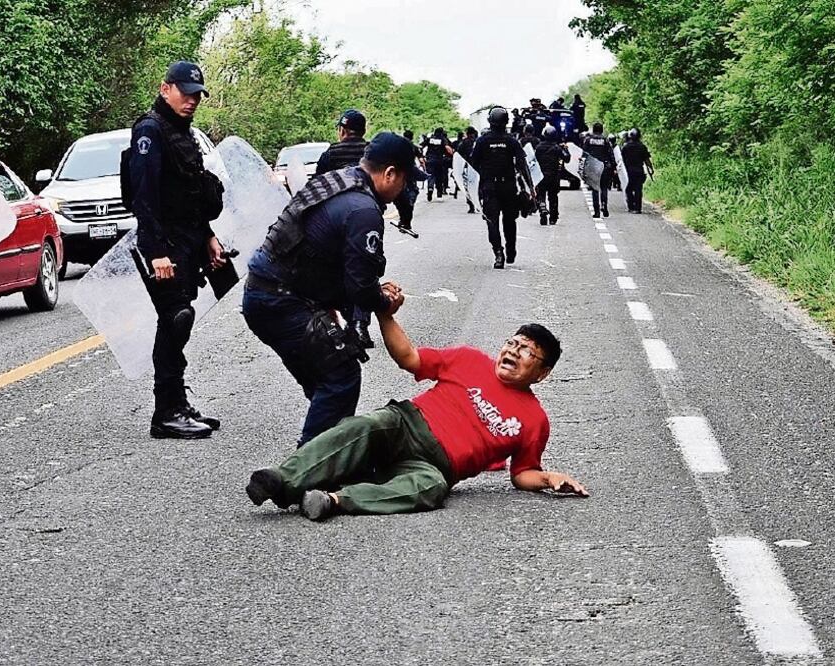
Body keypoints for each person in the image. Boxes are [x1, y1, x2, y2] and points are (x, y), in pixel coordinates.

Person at [246, 312, 588, 521]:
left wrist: (548, 479)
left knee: (431, 490)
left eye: (527, 351)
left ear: (542, 373)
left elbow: (523, 472)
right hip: (405, 424)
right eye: (512, 343)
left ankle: (333, 501)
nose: (514, 351)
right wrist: (385, 314)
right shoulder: (468, 359)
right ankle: (282, 480)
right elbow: (409, 357)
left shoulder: (534, 420)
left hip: (437, 466)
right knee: (365, 426)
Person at [242, 132, 426, 446]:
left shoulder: (338, 180)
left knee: (325, 384)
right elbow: (361, 290)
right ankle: (308, 471)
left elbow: (338, 269)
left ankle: (330, 459)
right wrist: (385, 302)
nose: (406, 189)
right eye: (406, 180)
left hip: (268, 294)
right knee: (340, 378)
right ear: (390, 173)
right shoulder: (364, 210)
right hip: (281, 301)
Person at [128, 61, 227, 440]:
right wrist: (156, 252)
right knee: (175, 319)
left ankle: (177, 403)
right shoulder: (150, 131)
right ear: (165, 88)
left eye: (197, 94)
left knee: (179, 319)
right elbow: (144, 197)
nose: (192, 100)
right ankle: (165, 412)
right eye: (185, 92)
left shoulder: (182, 132)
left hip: (187, 240)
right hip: (163, 245)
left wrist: (208, 236)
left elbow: (189, 194)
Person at [315, 110, 373, 347]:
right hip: (366, 220)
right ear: (363, 131)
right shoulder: (372, 152)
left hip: (335, 221)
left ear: (341, 130)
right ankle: (361, 324)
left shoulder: (330, 153)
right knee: (364, 270)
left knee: (338, 270)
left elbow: (316, 187)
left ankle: (343, 323)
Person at [469, 106, 534, 269]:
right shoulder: (512, 140)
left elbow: (472, 166)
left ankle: (498, 254)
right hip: (509, 186)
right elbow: (522, 165)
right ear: (506, 122)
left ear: (490, 121)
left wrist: (474, 190)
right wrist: (531, 186)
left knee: (492, 222)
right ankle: (511, 249)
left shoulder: (482, 141)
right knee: (509, 221)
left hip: (489, 187)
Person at [534, 126, 570, 225]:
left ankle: (542, 207)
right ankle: (553, 217)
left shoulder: (539, 147)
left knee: (541, 194)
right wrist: (566, 149)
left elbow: (533, 161)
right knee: (553, 196)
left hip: (541, 175)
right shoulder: (557, 148)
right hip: (554, 175)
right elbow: (567, 159)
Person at [315, 109, 368, 176]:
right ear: (364, 131)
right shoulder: (373, 151)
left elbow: (317, 180)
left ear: (342, 131)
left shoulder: (331, 153)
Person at [393, 130, 426, 233]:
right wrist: (424, 168)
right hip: (410, 172)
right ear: (412, 137)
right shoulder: (414, 146)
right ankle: (406, 222)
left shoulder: (397, 145)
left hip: (398, 173)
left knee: (399, 197)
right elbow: (421, 159)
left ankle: (403, 220)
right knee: (411, 195)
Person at [581, 122, 616, 219]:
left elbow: (584, 154)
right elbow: (611, 154)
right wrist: (613, 167)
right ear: (601, 130)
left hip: (593, 167)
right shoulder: (605, 141)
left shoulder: (588, 140)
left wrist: (583, 168)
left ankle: (596, 212)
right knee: (604, 188)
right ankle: (604, 204)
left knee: (595, 189)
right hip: (604, 167)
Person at [620, 128, 654, 213]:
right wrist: (650, 168)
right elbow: (647, 160)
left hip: (628, 172)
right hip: (639, 171)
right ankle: (638, 208)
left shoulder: (625, 146)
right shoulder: (642, 146)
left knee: (629, 189)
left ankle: (631, 207)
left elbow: (621, 159)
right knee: (638, 189)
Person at [424, 128, 453, 201]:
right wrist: (453, 154)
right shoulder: (442, 139)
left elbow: (421, 146)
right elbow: (447, 148)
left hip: (430, 160)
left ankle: (430, 188)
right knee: (439, 177)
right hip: (439, 161)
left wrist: (422, 156)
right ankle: (439, 195)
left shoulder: (430, 139)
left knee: (430, 176)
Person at [456, 127, 479, 214]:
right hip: (477, 167)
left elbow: (459, 155)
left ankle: (471, 205)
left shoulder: (463, 143)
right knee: (478, 186)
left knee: (468, 187)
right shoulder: (478, 141)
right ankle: (478, 202)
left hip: (467, 167)